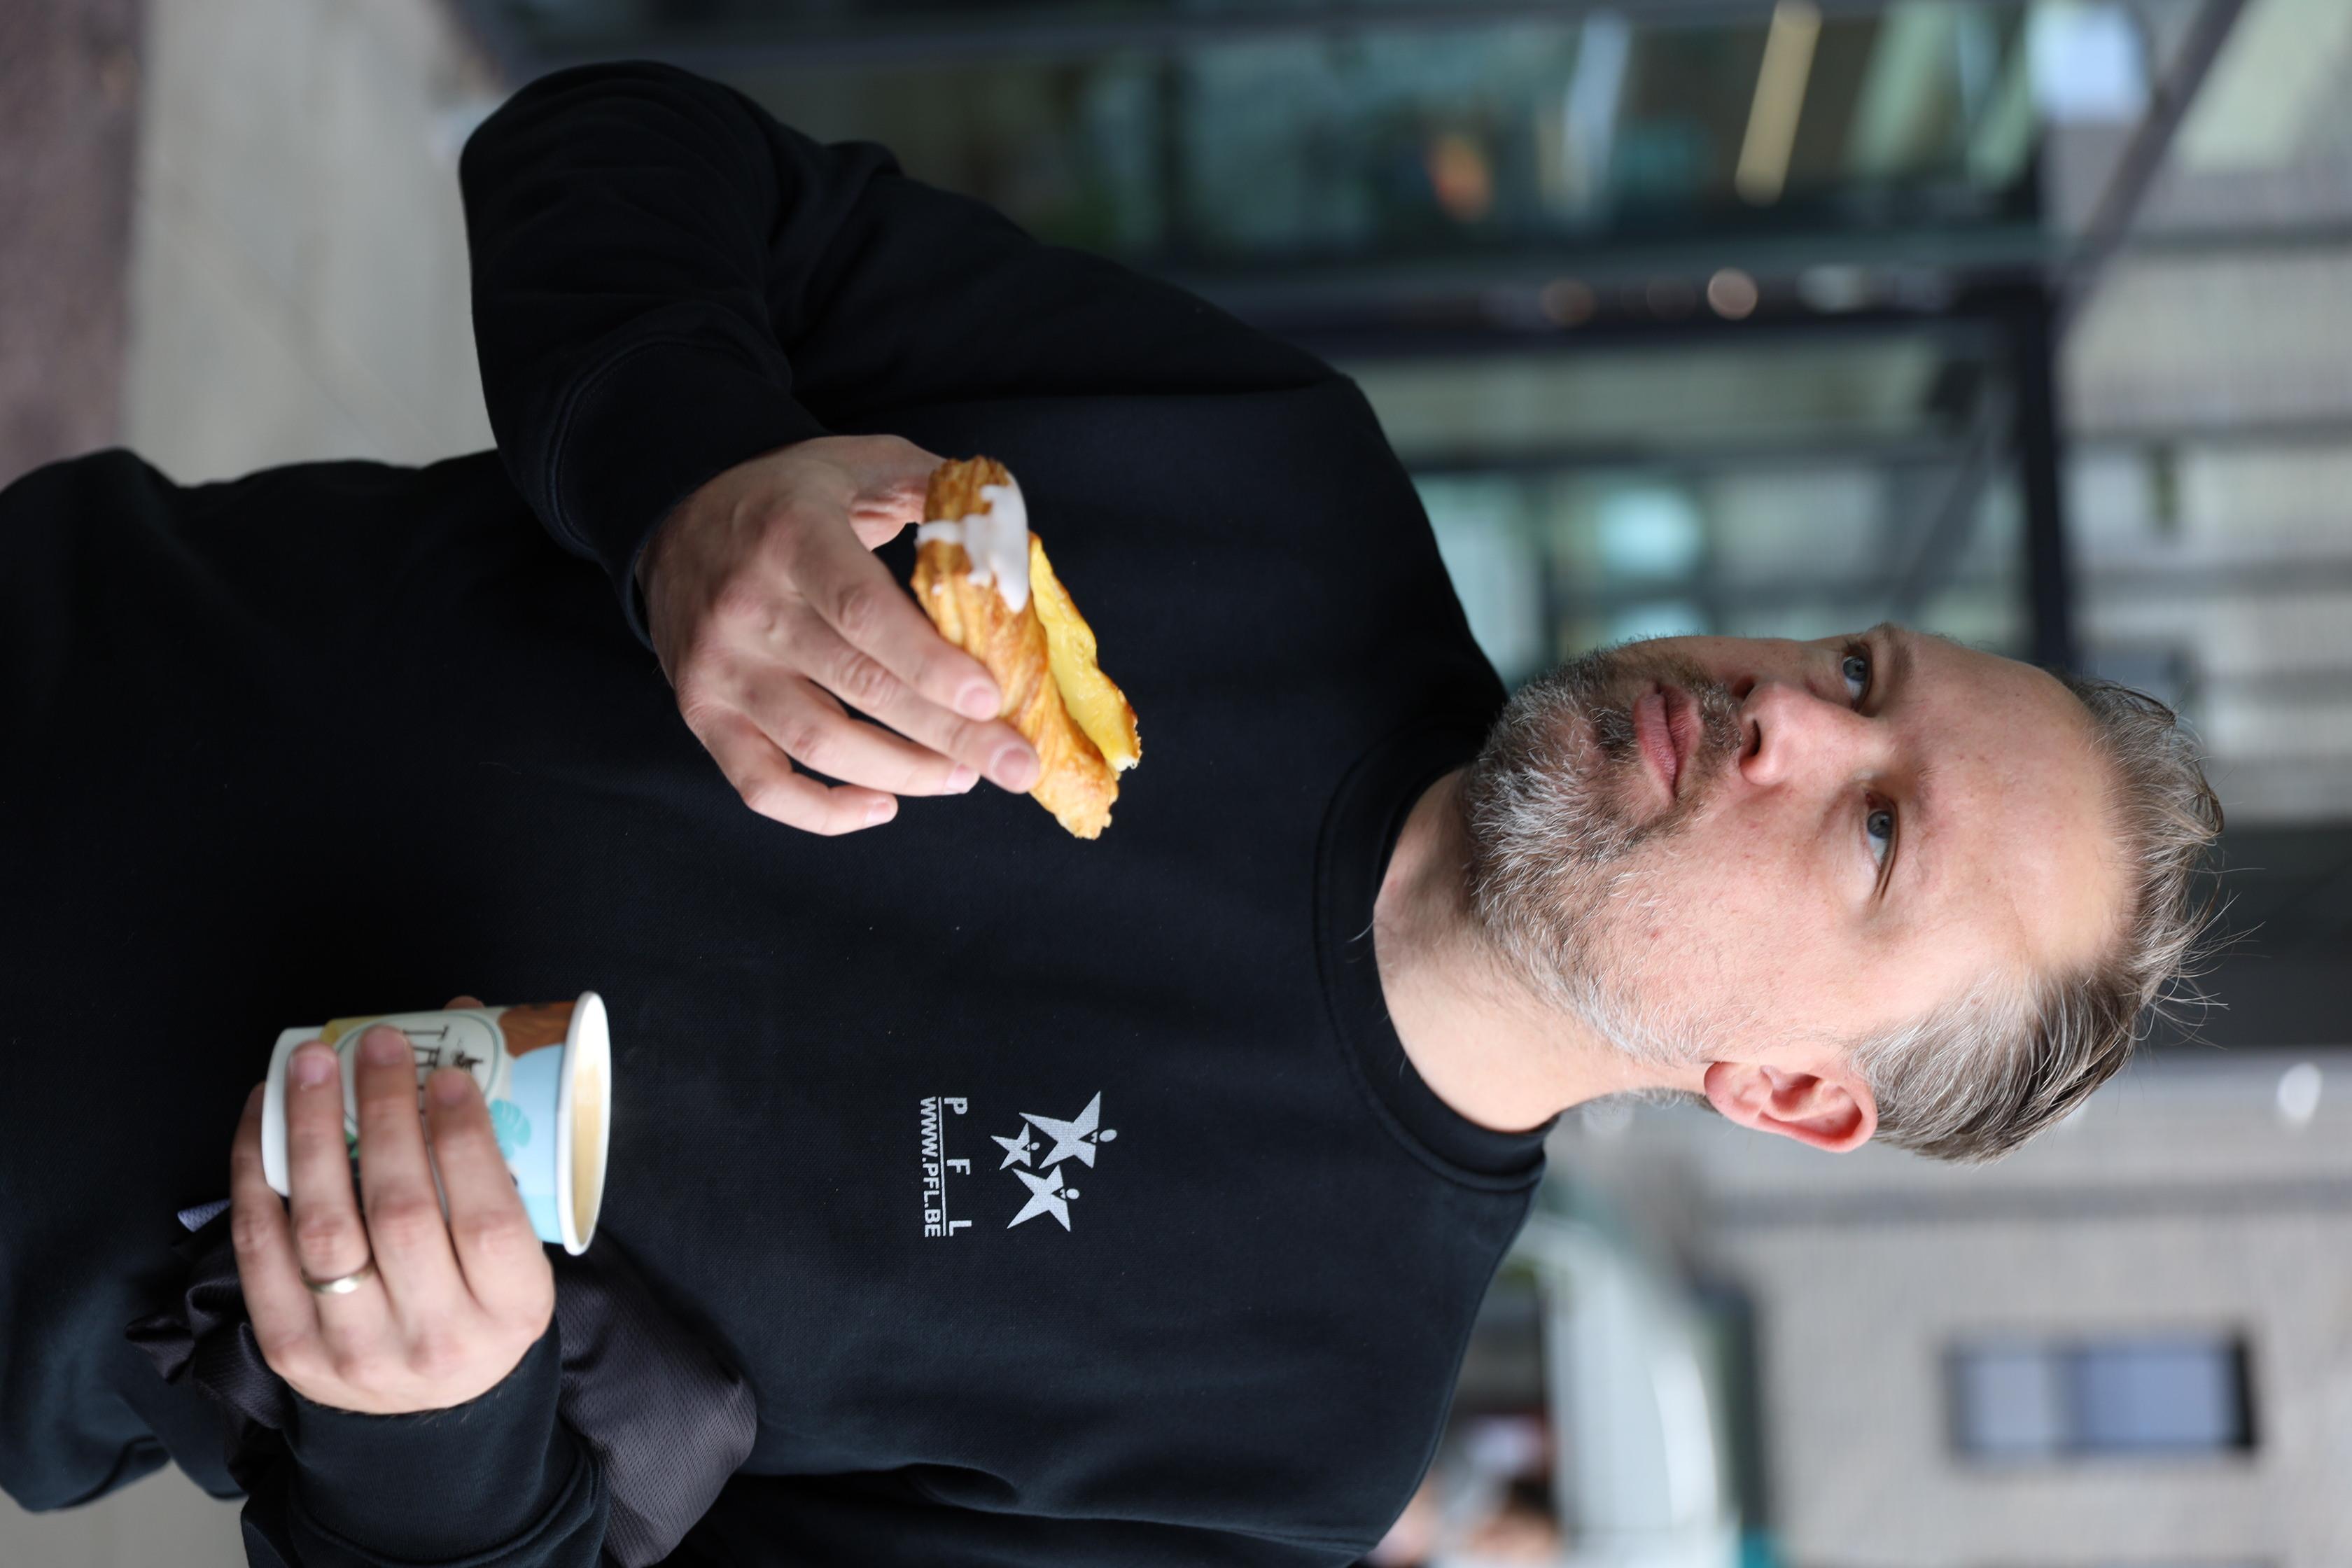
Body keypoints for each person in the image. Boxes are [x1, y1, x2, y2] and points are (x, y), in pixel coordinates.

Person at [0, 59, 2220, 1567]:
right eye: (1861, 672)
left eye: (1874, 833)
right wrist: (692, 478)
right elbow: (617, 147)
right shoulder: (1278, 481)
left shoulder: (1286, 1452)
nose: (1783, 720)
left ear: (1791, 1094)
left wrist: (432, 1429)